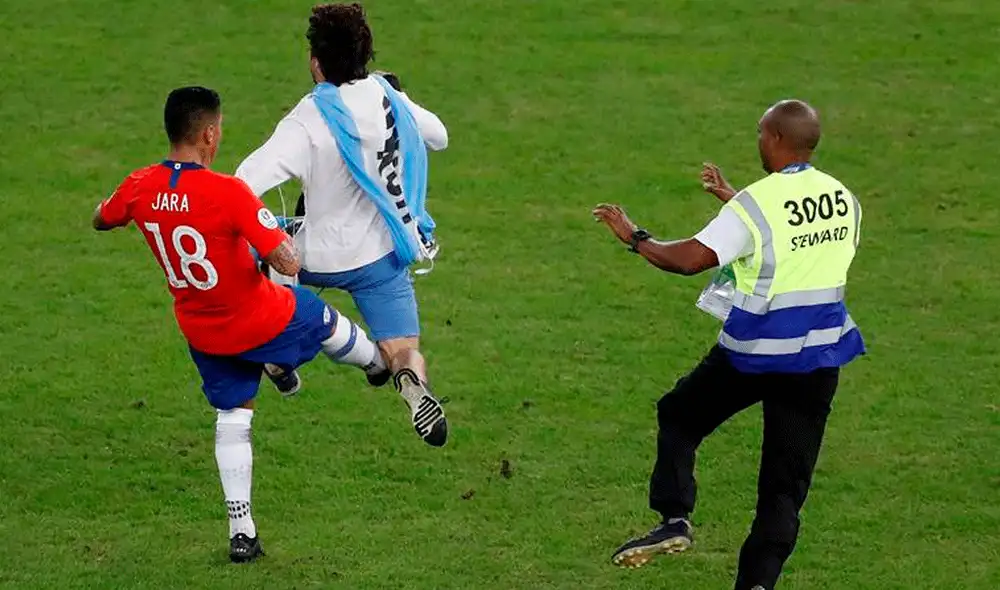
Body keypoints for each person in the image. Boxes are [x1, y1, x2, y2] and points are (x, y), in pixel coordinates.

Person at [92, 86, 391, 563]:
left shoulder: (139, 185)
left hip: (203, 331)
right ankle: (378, 364)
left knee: (233, 417)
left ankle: (242, 533)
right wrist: (274, 231)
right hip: (260, 318)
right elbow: (288, 262)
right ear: (209, 134)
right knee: (323, 319)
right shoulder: (229, 193)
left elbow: (101, 218)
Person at [593, 99, 865, 590]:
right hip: (819, 358)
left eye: (761, 132)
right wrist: (733, 201)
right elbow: (793, 236)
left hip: (755, 355)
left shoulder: (755, 205)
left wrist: (635, 237)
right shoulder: (843, 197)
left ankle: (674, 518)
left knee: (679, 415)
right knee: (783, 493)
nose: (757, 139)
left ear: (776, 139)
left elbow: (689, 260)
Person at [235, 2, 449, 448]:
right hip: (382, 257)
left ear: (316, 62)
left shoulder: (310, 117)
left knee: (262, 240)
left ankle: (277, 352)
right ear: (365, 54)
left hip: (314, 256)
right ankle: (411, 380)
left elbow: (245, 181)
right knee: (402, 349)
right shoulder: (389, 98)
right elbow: (439, 136)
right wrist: (401, 98)